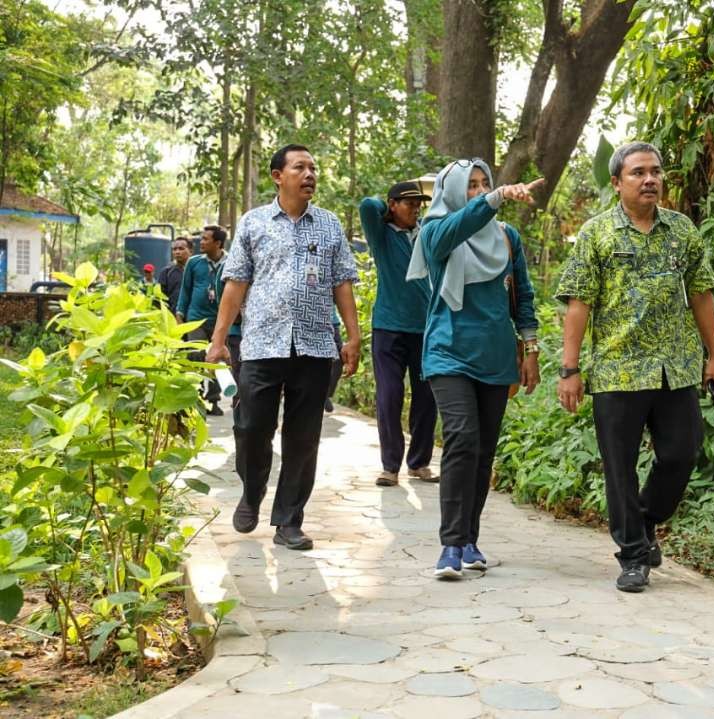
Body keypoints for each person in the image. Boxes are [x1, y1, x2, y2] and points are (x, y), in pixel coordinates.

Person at [555, 141, 714, 593]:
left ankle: (646, 520)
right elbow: (578, 304)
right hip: (617, 371)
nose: (650, 179)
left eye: (655, 171)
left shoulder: (681, 231)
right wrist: (570, 370)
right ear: (617, 183)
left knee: (681, 454)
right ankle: (632, 555)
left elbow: (702, 294)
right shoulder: (597, 234)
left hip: (676, 369)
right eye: (638, 173)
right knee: (620, 467)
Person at [206, 144, 360, 552]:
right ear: (278, 175)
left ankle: (289, 520)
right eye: (300, 167)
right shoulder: (254, 223)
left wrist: (353, 336)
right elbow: (235, 283)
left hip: (314, 346)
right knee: (251, 428)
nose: (309, 174)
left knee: (303, 438)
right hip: (260, 344)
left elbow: (342, 282)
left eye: (313, 167)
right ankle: (252, 489)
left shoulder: (329, 226)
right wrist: (219, 339)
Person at [406, 159, 543, 579]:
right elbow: (453, 231)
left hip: (496, 355)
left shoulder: (507, 237)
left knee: (483, 451)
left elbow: (524, 295)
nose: (479, 190)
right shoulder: (434, 233)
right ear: (452, 192)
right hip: (448, 351)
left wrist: (531, 348)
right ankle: (449, 545)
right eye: (471, 186)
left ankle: (469, 538)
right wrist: (495, 198)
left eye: (485, 184)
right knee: (462, 437)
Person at [359, 181, 438, 485]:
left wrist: (406, 211)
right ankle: (390, 466)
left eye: (419, 203)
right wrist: (388, 209)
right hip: (388, 329)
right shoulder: (382, 236)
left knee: (426, 397)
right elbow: (368, 204)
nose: (416, 208)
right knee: (389, 396)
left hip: (425, 329)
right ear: (392, 205)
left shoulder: (425, 234)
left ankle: (419, 463)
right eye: (409, 203)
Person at [177, 225, 230, 416]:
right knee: (196, 357)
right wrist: (180, 314)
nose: (202, 242)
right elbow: (186, 290)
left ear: (218, 243)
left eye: (206, 239)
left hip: (220, 321)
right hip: (196, 318)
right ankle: (196, 398)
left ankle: (213, 400)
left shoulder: (231, 262)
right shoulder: (194, 263)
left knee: (215, 360)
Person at [157, 237, 193, 313]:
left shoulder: (197, 271)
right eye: (174, 249)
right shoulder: (166, 273)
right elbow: (159, 299)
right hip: (173, 318)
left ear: (190, 251)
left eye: (181, 249)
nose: (177, 252)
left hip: (194, 317)